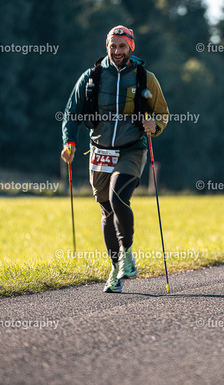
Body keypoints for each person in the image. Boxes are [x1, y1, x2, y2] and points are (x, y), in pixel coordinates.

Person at [61, 25, 169, 293]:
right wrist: (69, 142)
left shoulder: (145, 78)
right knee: (107, 210)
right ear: (106, 47)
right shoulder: (92, 77)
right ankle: (115, 269)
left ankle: (127, 255)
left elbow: (162, 113)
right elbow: (71, 112)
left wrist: (154, 125)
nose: (117, 51)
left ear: (131, 47)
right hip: (99, 151)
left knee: (118, 196)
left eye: (122, 46)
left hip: (132, 149)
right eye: (113, 46)